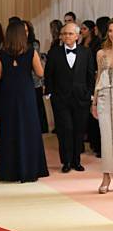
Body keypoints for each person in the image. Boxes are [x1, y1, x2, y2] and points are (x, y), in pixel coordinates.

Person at [0, 20, 48, 182]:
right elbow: (40, 73)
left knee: (9, 130)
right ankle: (30, 169)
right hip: (26, 94)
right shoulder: (31, 52)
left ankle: (10, 172)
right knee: (29, 129)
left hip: (8, 95)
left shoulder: (1, 54)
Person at [44, 23, 95, 172]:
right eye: (64, 33)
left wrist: (90, 94)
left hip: (81, 98)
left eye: (70, 34)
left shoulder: (86, 52)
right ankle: (66, 162)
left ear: (77, 36)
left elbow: (90, 75)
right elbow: (49, 75)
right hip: (61, 99)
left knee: (78, 130)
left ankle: (76, 161)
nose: (67, 36)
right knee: (65, 130)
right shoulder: (54, 52)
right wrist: (51, 93)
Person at [92, 19, 113, 193]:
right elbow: (98, 77)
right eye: (111, 31)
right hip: (104, 97)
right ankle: (106, 176)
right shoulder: (101, 53)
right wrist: (94, 101)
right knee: (105, 138)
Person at [80, 20, 101, 156]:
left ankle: (97, 144)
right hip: (83, 81)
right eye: (81, 28)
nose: (82, 31)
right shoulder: (81, 44)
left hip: (94, 80)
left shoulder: (97, 45)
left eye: (84, 28)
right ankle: (90, 139)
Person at [23, 20, 48, 133]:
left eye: (27, 31)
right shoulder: (14, 44)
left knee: (38, 105)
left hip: (34, 79)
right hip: (23, 81)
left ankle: (42, 128)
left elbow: (36, 65)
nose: (25, 33)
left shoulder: (34, 44)